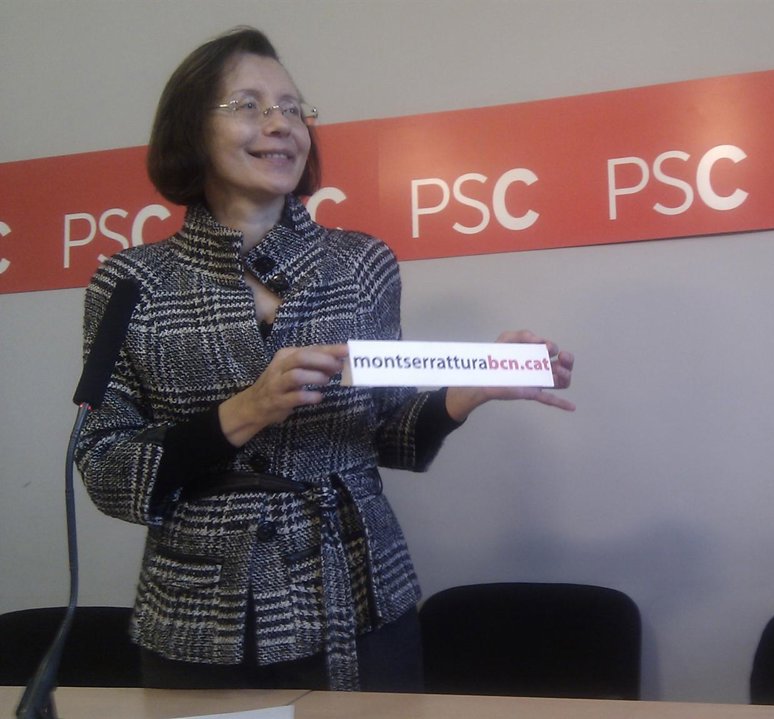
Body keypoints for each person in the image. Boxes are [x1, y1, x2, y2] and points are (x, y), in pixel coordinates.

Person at [75, 26, 574, 693]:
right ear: (190, 128)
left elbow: (387, 434)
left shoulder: (361, 263)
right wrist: (246, 410)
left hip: (358, 591)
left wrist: (470, 390)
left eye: (292, 107)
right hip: (201, 611)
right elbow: (106, 468)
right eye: (249, 105)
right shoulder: (132, 282)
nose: (280, 124)